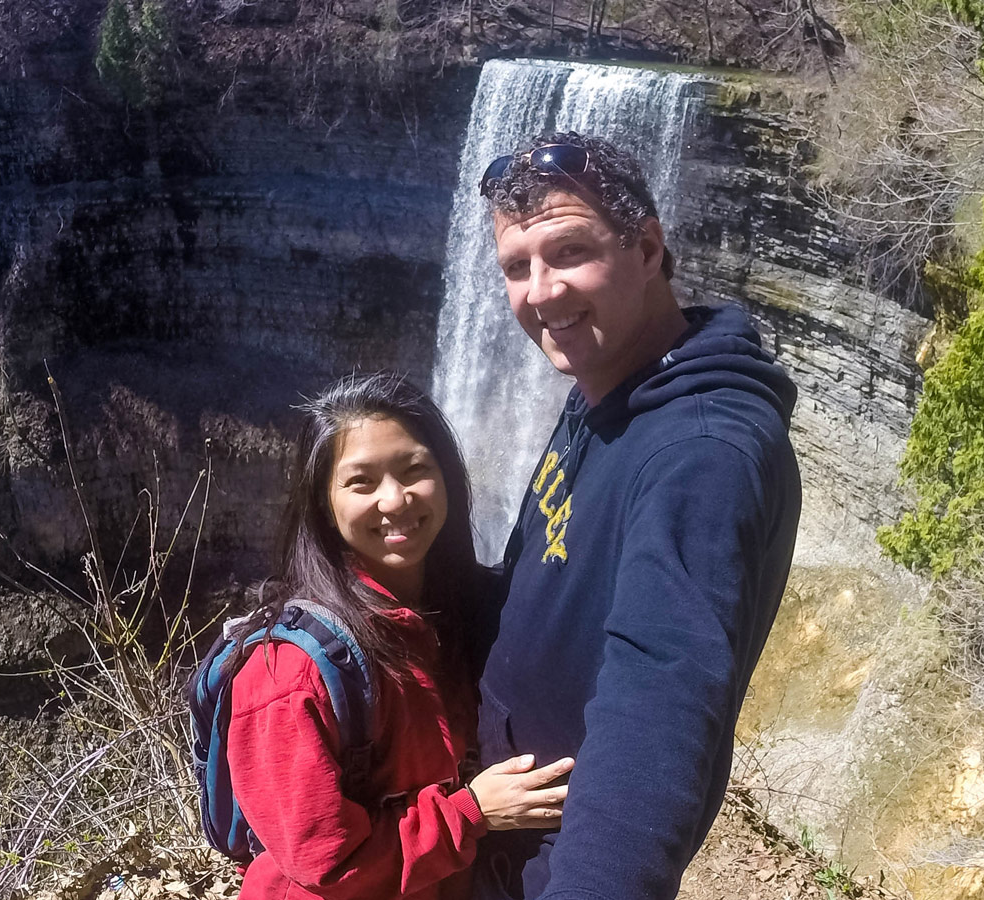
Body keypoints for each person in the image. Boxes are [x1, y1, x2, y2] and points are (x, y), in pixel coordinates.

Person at [473, 133, 803, 900]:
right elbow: (543, 573)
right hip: (487, 831)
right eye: (517, 268)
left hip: (548, 867)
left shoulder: (699, 454)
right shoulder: (604, 379)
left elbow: (658, 706)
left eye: (569, 252)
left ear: (647, 247)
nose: (542, 292)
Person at [225, 373, 575, 900]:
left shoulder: (455, 613)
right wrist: (472, 812)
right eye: (361, 482)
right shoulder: (289, 673)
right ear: (323, 502)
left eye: (415, 470)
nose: (395, 500)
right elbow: (328, 866)